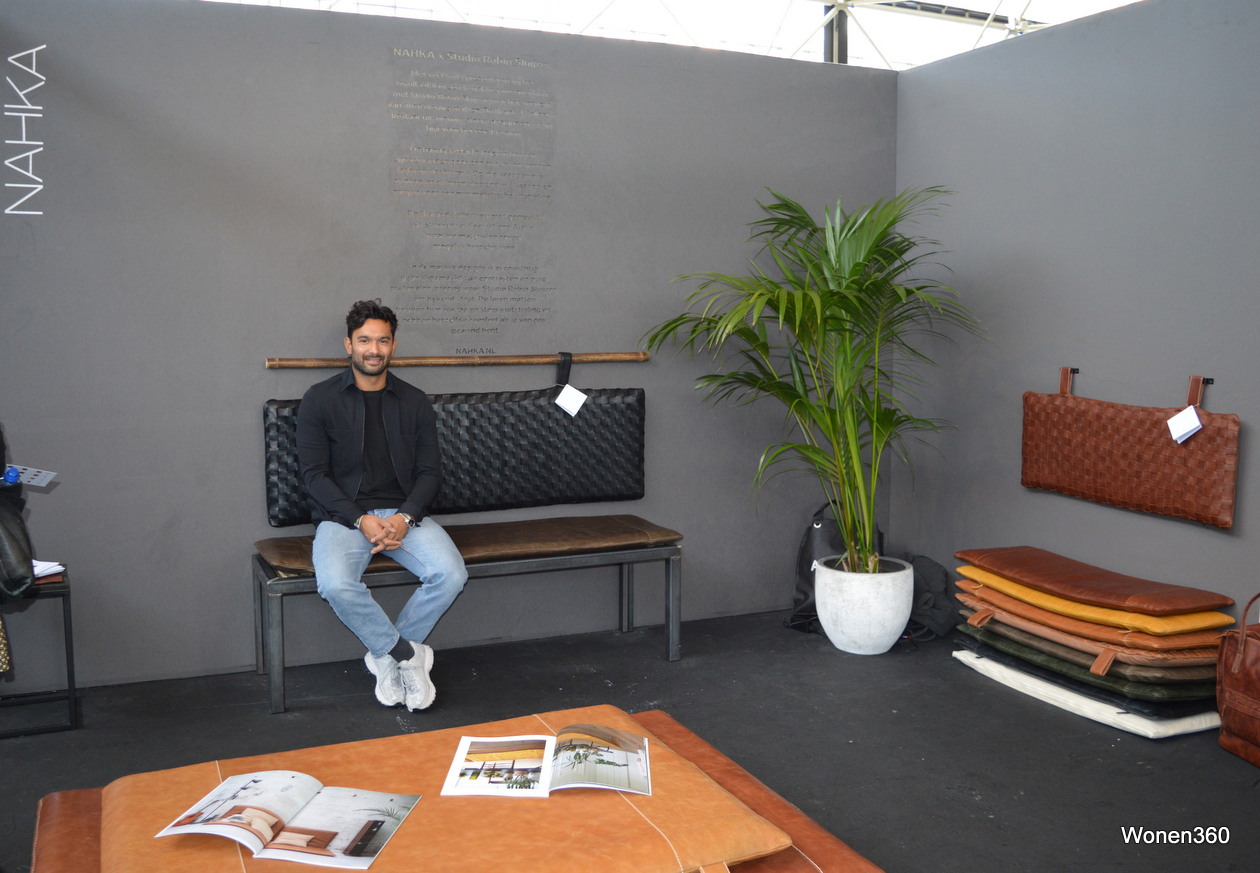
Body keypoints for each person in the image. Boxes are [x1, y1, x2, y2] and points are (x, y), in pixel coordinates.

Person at [296, 300, 467, 710]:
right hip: (343, 517)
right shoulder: (319, 399)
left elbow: (430, 473)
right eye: (365, 340)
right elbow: (313, 475)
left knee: (451, 574)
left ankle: (387, 658)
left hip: (405, 514)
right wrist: (360, 518)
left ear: (393, 345)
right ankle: (407, 655)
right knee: (335, 584)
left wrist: (406, 517)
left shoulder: (414, 401)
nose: (374, 349)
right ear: (349, 345)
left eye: (383, 341)